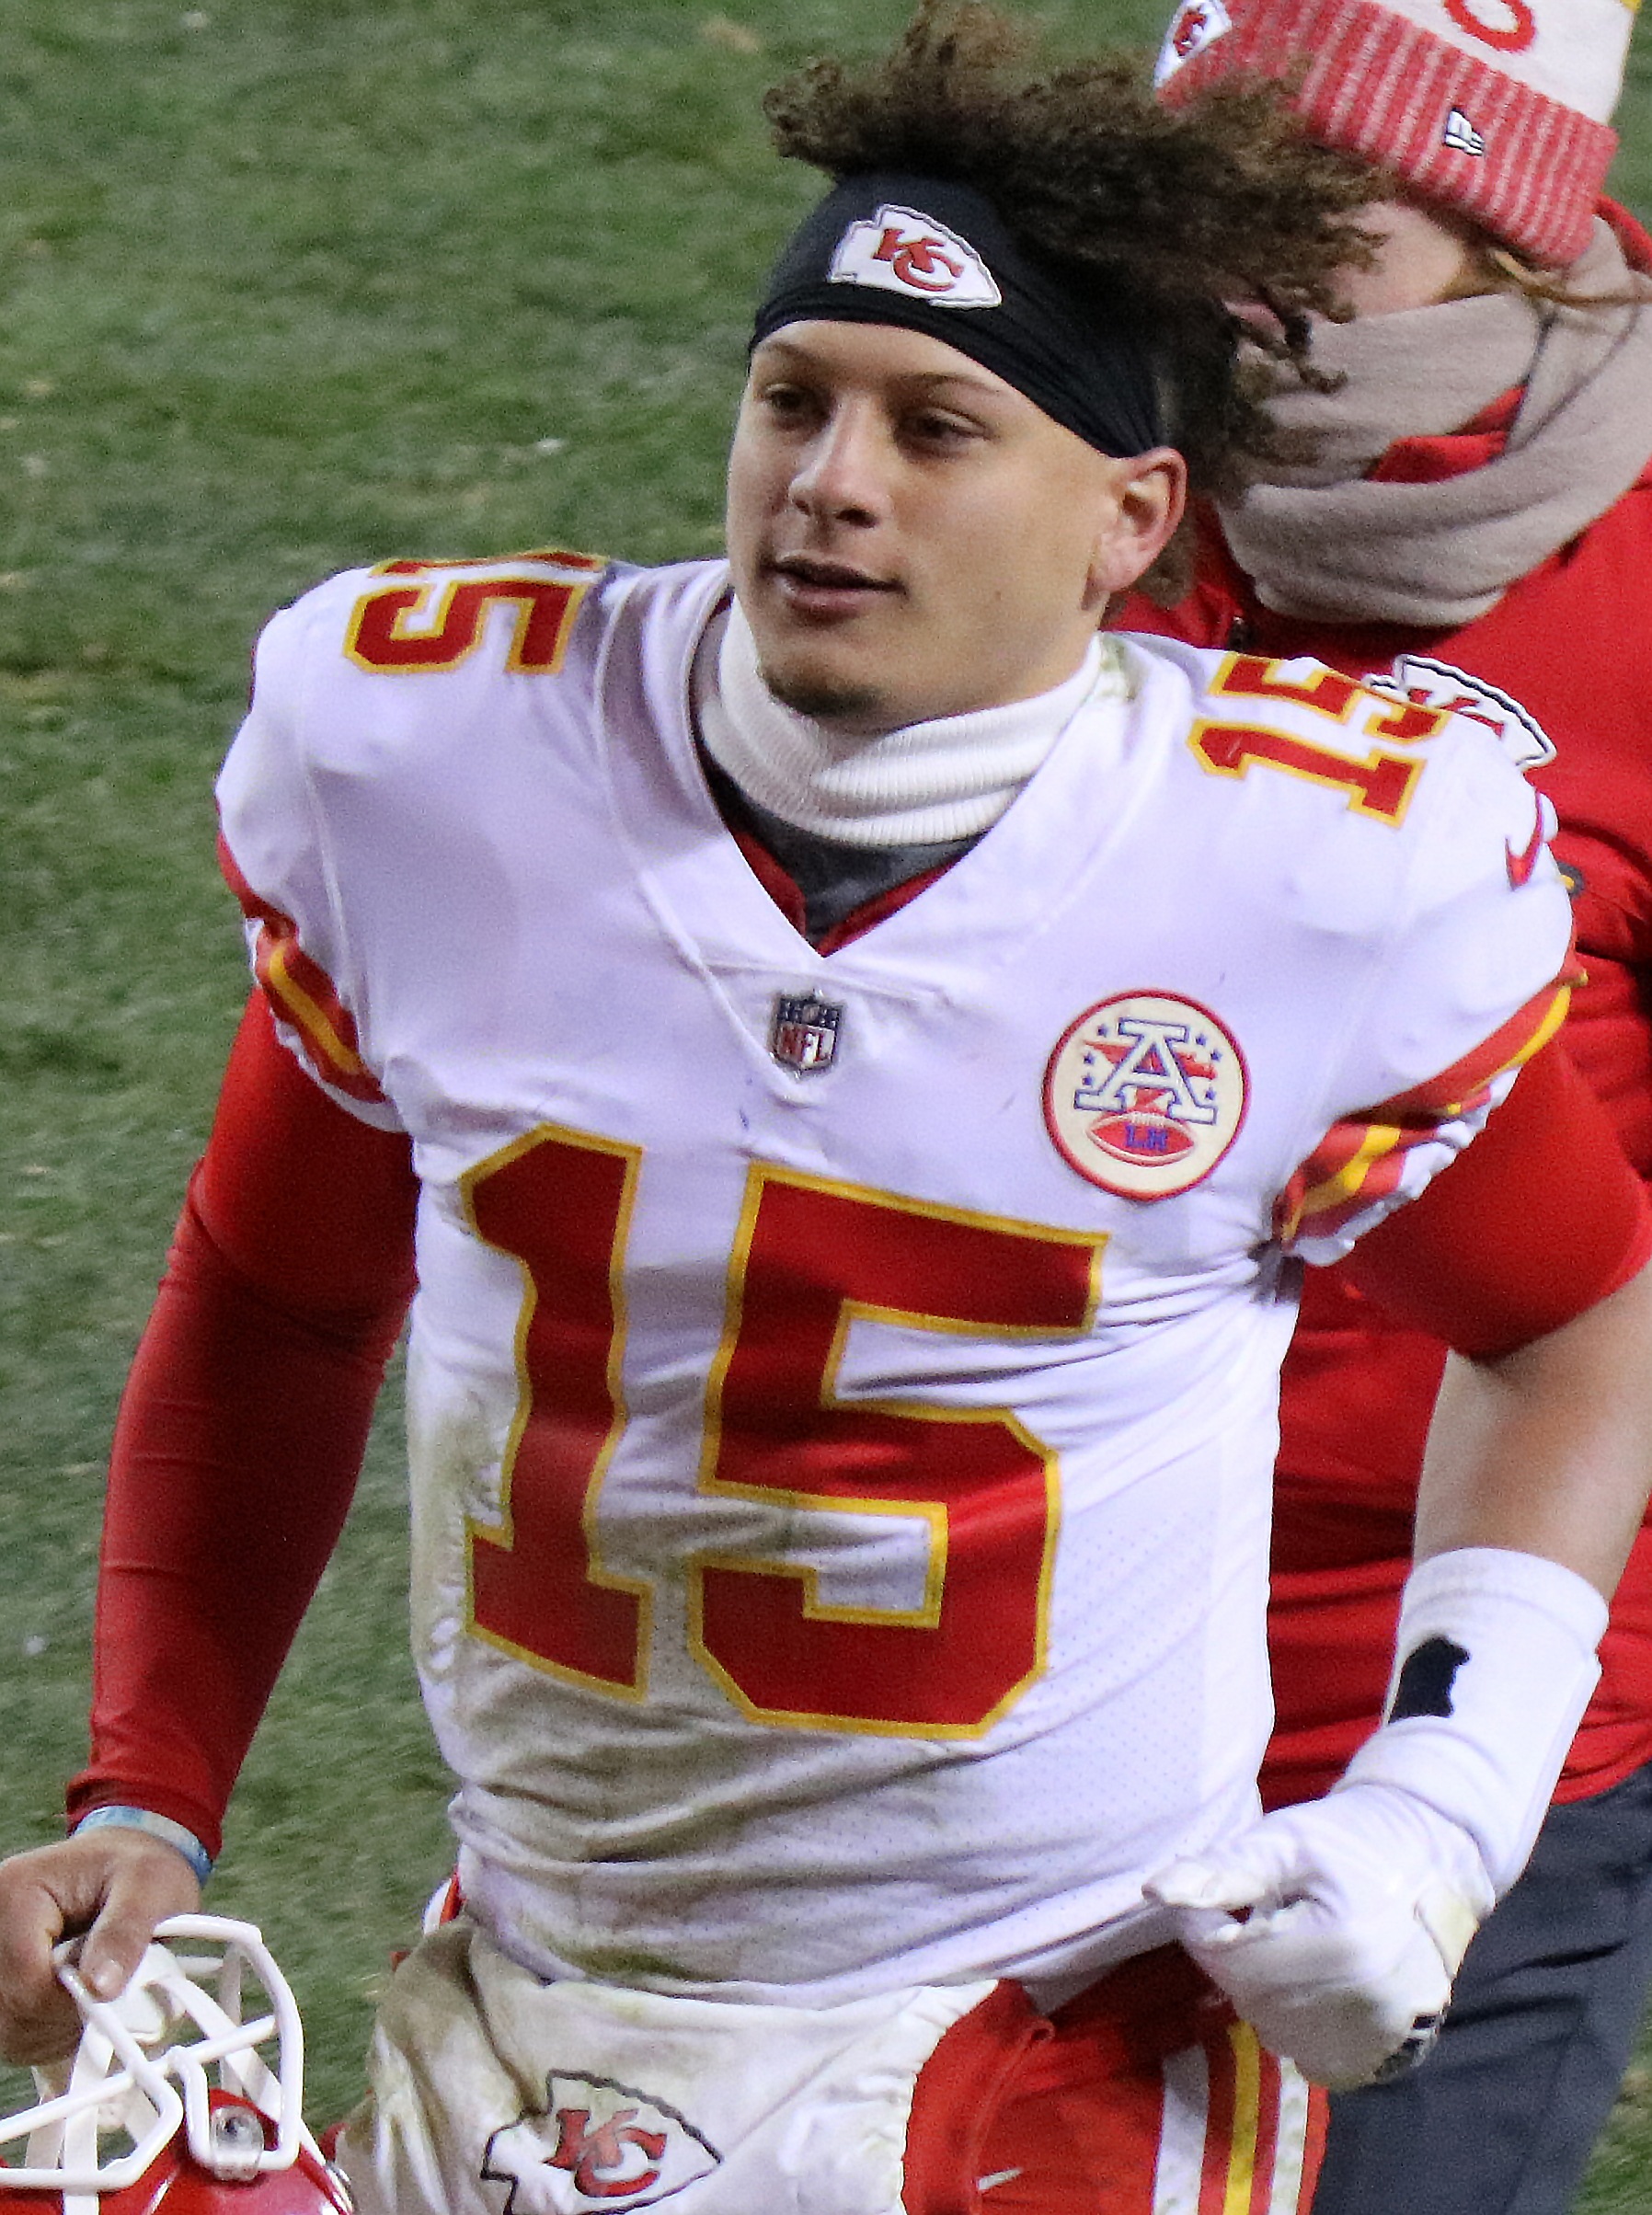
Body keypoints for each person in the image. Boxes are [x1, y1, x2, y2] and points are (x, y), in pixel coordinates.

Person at [3, 8, 1652, 2211]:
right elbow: (277, 1296)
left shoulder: (1327, 852)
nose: (834, 481)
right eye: (795, 399)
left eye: (933, 427)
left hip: (1079, 1984)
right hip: (555, 1967)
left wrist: (1444, 1797)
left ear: (1123, 519)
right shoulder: (437, 755)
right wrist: (153, 1785)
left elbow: (1573, 1314)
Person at [1130, 0, 1652, 2208]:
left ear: (1506, 230)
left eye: (1305, 197)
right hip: (978, 1693)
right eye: (1189, 176)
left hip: (1461, 1738)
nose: (1218, 258)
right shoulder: (1024, 447)